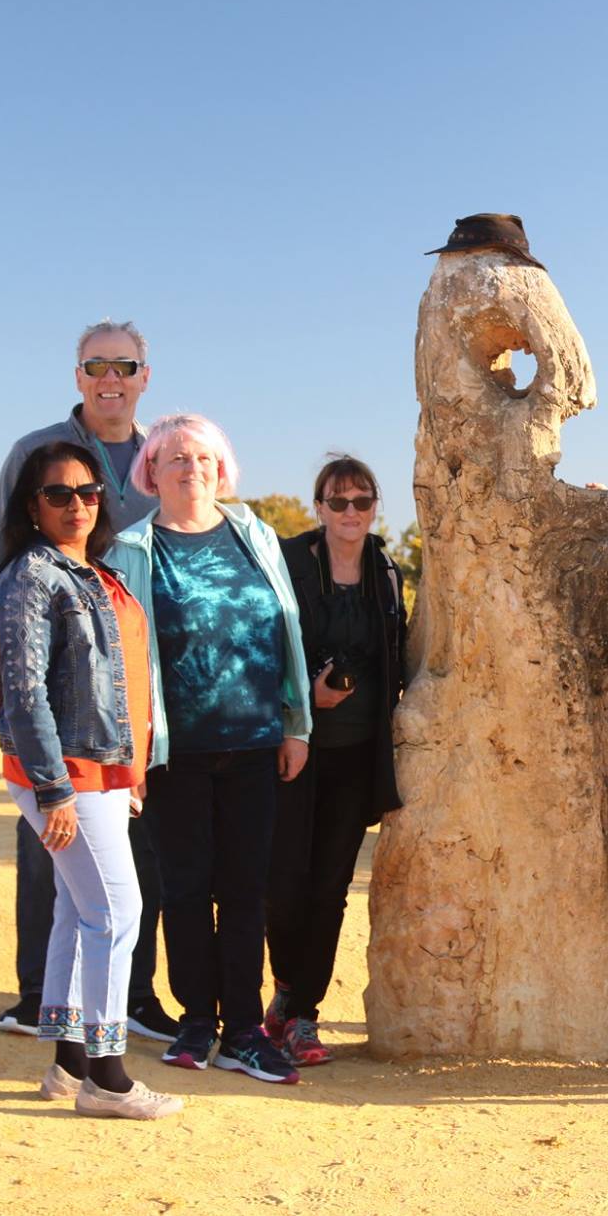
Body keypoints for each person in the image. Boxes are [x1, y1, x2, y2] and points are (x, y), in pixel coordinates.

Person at [104, 414, 314, 1085]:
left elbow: (288, 627)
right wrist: (128, 755)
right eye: (175, 458)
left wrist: (297, 722)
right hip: (174, 749)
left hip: (256, 741)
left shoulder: (254, 535)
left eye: (202, 457)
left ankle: (245, 1030)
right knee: (186, 887)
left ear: (221, 469)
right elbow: (120, 663)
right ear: (152, 472)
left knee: (246, 889)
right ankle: (198, 1019)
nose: (191, 467)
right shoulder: (132, 550)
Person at [0, 320, 174, 1045]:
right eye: (97, 365)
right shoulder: (37, 453)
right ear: (79, 376)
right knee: (51, 849)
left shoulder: (163, 453)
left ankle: (134, 996)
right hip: (60, 672)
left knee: (135, 843)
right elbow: (3, 546)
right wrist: (18, 634)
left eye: (124, 364)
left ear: (144, 376)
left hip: (130, 662)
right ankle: (42, 998)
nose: (110, 377)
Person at [262, 455, 408, 1066]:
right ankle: (289, 992)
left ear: (376, 507)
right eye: (338, 501)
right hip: (295, 747)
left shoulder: (387, 570)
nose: (351, 512)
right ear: (318, 507)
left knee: (330, 887)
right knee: (283, 881)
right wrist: (305, 697)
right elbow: (264, 643)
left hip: (356, 754)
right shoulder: (290, 562)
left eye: (362, 501)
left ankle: (302, 1014)